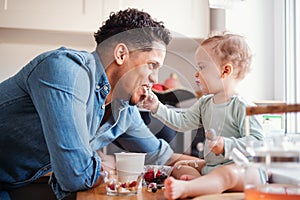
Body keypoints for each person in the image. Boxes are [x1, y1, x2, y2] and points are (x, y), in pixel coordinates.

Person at [0, 8, 198, 200]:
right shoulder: (65, 71)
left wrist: (219, 169)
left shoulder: (123, 110)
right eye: (152, 65)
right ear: (121, 54)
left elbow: (162, 158)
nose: (155, 78)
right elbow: (76, 175)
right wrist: (109, 163)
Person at [141, 32, 265, 199]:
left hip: (245, 171)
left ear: (225, 71)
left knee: (226, 174)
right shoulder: (205, 103)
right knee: (179, 166)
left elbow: (258, 143)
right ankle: (202, 184)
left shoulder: (243, 106)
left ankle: (191, 187)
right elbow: (182, 122)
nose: (196, 73)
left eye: (202, 67)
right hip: (213, 168)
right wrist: (156, 107)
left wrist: (226, 144)